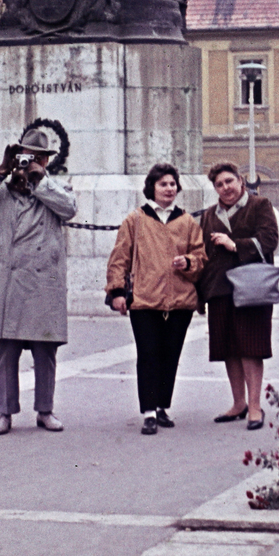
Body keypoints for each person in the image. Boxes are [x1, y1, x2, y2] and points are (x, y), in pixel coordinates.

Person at [0, 127, 78, 436]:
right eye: (25, 156)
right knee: (5, 349)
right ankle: (4, 412)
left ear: (46, 160)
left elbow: (69, 209)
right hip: (8, 281)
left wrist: (40, 179)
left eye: (37, 157)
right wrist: (1, 170)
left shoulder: (57, 187)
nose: (29, 162)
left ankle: (45, 410)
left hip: (42, 280)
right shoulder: (0, 189)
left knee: (45, 350)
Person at [105, 163, 205, 435]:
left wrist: (188, 262)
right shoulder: (135, 220)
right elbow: (120, 257)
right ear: (152, 188)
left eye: (173, 184)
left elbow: (200, 257)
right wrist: (116, 291)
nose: (169, 189)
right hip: (145, 300)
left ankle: (163, 406)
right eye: (163, 184)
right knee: (148, 355)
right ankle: (148, 411)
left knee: (170, 355)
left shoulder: (186, 221)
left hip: (180, 301)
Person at [196, 162, 279, 431]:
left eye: (229, 181)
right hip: (220, 290)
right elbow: (203, 254)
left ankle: (255, 407)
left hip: (251, 288)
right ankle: (238, 403)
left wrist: (236, 245)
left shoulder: (259, 206)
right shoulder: (209, 215)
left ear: (241, 181)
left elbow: (269, 239)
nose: (225, 188)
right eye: (219, 184)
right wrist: (201, 292)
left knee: (251, 347)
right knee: (228, 347)